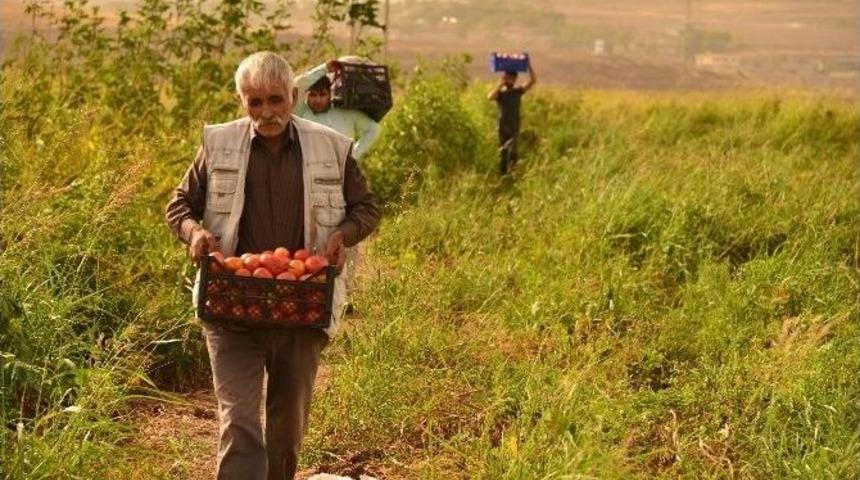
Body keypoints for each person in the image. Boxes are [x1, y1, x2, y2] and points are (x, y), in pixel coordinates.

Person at [164, 51, 380, 480]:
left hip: (302, 305)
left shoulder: (331, 147)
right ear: (241, 101)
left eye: (276, 100)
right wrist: (195, 233)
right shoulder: (219, 144)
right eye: (255, 102)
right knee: (239, 419)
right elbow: (180, 205)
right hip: (231, 302)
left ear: (293, 96)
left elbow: (366, 208)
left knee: (286, 427)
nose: (267, 112)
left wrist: (342, 235)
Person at [294, 59, 381, 160]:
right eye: (313, 95)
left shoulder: (346, 112)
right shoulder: (301, 113)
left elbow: (373, 129)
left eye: (322, 94)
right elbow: (297, 86)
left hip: (342, 168)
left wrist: (354, 154)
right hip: (311, 168)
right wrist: (325, 68)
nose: (317, 100)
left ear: (330, 94)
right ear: (306, 95)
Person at [487, 63, 536, 175]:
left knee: (513, 155)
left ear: (515, 79)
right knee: (503, 155)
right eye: (509, 77)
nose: (511, 80)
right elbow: (490, 97)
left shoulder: (517, 92)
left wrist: (528, 65)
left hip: (514, 128)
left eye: (513, 78)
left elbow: (532, 80)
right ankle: (503, 178)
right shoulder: (500, 94)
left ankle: (512, 177)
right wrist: (500, 84)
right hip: (503, 128)